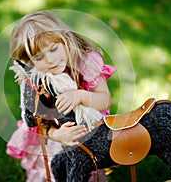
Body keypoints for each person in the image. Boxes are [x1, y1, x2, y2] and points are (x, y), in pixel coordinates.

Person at [7, 11, 116, 181]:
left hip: (87, 129)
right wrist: (56, 135)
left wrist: (79, 95)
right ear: (29, 62)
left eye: (53, 49)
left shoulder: (85, 62)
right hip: (54, 136)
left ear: (66, 40)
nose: (50, 60)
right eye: (39, 57)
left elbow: (104, 100)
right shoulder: (35, 80)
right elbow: (38, 122)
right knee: (53, 170)